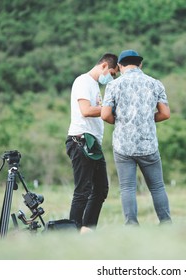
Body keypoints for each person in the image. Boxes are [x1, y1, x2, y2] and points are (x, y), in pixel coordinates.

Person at [101, 49, 172, 226]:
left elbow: (105, 115)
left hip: (123, 145)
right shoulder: (155, 83)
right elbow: (165, 114)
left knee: (127, 188)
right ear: (140, 64)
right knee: (157, 187)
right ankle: (165, 222)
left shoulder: (114, 85)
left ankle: (131, 224)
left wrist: (118, 121)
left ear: (120, 66)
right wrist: (148, 118)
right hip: (148, 144)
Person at [66, 53, 118, 233]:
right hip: (81, 140)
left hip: (93, 143)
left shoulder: (95, 85)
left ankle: (87, 230)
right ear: (104, 66)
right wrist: (110, 108)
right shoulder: (83, 81)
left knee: (101, 188)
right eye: (112, 73)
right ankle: (72, 232)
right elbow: (86, 110)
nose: (111, 78)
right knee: (83, 190)